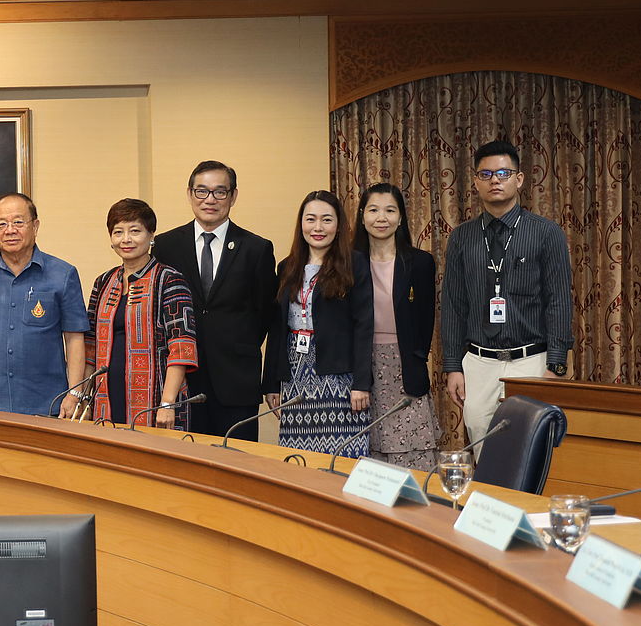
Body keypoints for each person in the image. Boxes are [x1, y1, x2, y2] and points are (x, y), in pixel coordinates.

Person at [441, 139, 574, 446]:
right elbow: (453, 305)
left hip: (532, 360)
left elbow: (558, 301)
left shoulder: (546, 232)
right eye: (486, 175)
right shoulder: (462, 237)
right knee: (480, 446)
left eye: (503, 173)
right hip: (479, 362)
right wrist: (452, 366)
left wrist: (555, 364)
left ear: (519, 179)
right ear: (476, 182)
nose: (495, 180)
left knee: (529, 447)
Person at [152, 160, 277, 438]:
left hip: (236, 381)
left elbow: (265, 315)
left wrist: (233, 345)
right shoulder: (165, 245)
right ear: (189, 194)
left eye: (220, 192)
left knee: (238, 465)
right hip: (182, 381)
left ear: (233, 196)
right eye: (202, 191)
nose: (210, 199)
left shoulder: (256, 248)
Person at [0, 193, 90, 417]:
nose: (10, 230)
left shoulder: (63, 274)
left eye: (18, 222)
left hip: (48, 405)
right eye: (1, 224)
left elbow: (74, 338)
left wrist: (74, 393)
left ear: (35, 226)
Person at [262, 190, 373, 460]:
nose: (318, 228)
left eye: (326, 220)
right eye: (310, 219)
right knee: (298, 460)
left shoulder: (354, 263)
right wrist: (271, 384)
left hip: (339, 375)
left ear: (339, 224)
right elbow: (277, 328)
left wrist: (362, 383)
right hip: (296, 372)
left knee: (342, 457)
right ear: (301, 224)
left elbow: (363, 325)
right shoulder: (286, 267)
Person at [85, 198, 198, 429]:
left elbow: (181, 347)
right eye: (118, 232)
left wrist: (167, 403)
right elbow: (90, 345)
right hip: (105, 396)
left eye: (135, 231)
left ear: (151, 235)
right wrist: (85, 396)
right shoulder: (103, 282)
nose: (126, 239)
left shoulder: (169, 279)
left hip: (156, 400)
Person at [354, 183, 438, 470]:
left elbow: (427, 319)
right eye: (374, 210)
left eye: (390, 210)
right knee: (365, 452)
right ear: (362, 215)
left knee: (413, 451)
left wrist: (416, 358)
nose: (382, 217)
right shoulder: (348, 264)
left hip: (404, 367)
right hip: (360, 367)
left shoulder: (420, 262)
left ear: (401, 217)